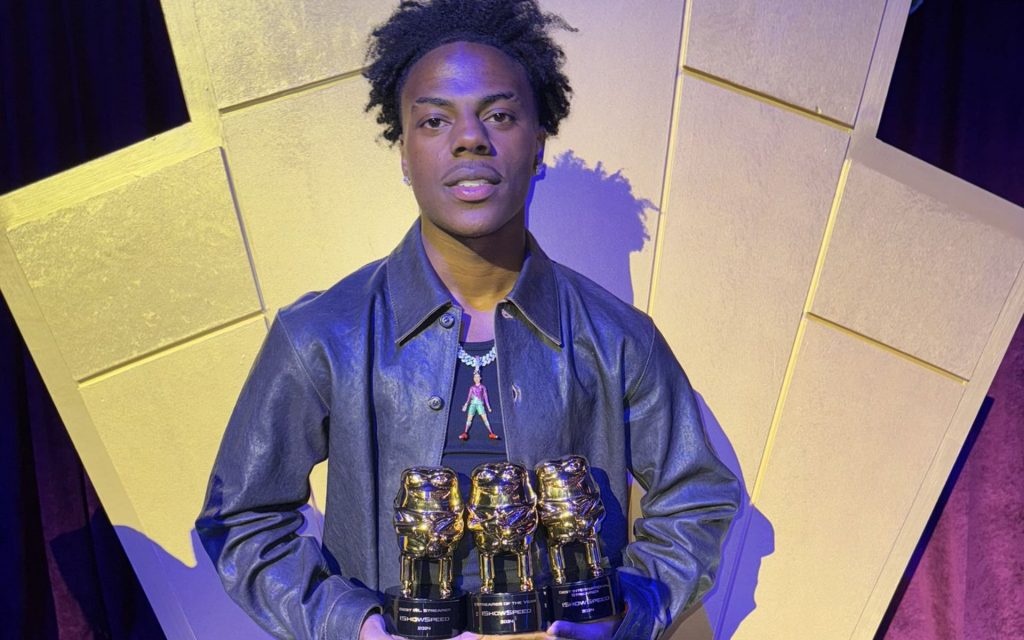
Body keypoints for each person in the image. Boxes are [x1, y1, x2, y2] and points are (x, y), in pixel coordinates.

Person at [196, 1, 740, 639]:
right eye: (434, 120)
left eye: (500, 115)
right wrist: (356, 628)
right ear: (404, 154)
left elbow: (697, 497)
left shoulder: (620, 338)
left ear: (538, 144)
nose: (470, 138)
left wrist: (625, 614)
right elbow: (243, 518)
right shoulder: (323, 334)